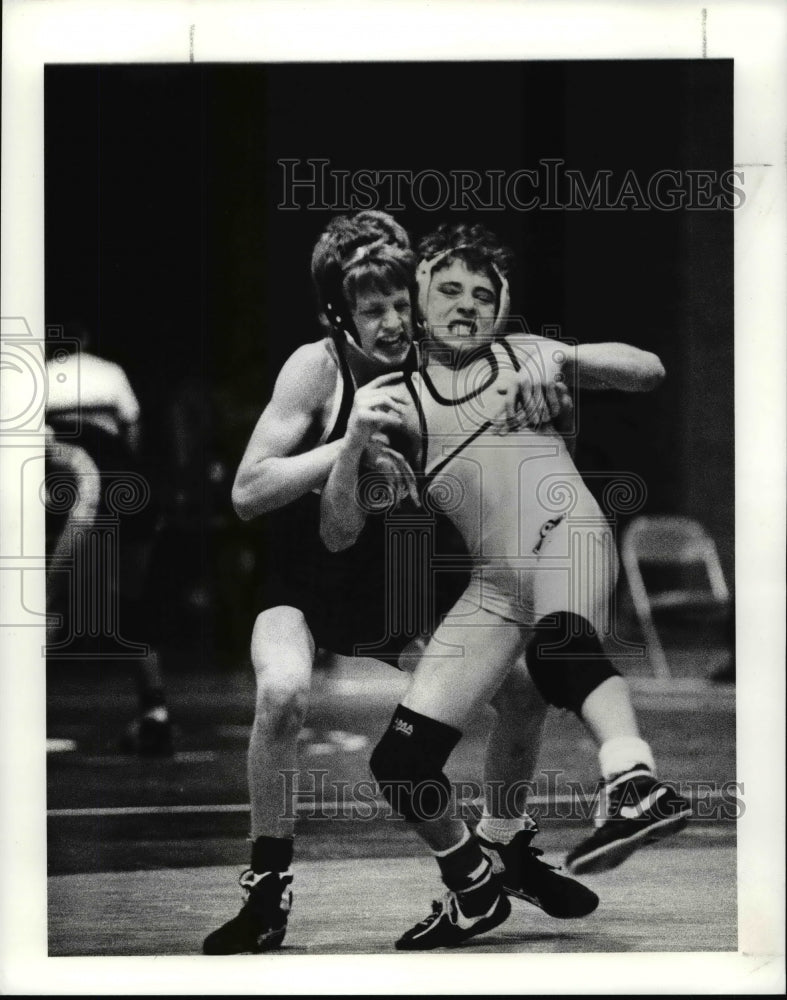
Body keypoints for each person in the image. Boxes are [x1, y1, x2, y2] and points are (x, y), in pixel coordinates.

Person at [203, 211, 597, 956]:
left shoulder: (442, 357)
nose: (392, 322)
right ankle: (266, 888)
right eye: (371, 308)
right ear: (338, 314)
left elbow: (519, 357)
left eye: (399, 304)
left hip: (398, 577)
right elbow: (249, 491)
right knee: (282, 691)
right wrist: (347, 443)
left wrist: (544, 375)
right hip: (306, 580)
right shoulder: (316, 367)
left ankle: (504, 847)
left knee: (523, 688)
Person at [320, 223, 692, 950]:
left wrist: (564, 362)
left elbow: (646, 370)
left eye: (481, 294)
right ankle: (474, 881)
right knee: (399, 761)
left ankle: (633, 782)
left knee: (557, 651)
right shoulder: (391, 401)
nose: (465, 304)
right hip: (495, 588)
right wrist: (354, 444)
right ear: (418, 302)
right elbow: (337, 532)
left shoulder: (523, 355)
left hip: (568, 539)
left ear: (502, 309)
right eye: (448, 290)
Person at [45, 322, 173, 756]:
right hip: (133, 491)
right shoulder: (110, 374)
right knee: (128, 604)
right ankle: (155, 710)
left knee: (48, 603)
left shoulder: (34, 380)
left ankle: (20, 715)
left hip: (83, 492)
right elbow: (132, 434)